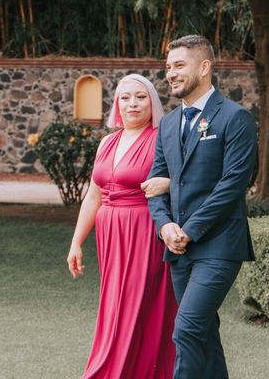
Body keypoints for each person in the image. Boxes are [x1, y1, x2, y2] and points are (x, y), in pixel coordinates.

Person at [147, 35, 257, 379]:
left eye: (180, 65)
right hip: (178, 248)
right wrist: (165, 226)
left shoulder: (235, 118)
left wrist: (189, 230)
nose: (171, 74)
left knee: (187, 330)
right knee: (205, 333)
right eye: (168, 67)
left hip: (219, 244)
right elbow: (156, 185)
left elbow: (232, 185)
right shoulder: (167, 124)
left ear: (205, 67)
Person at [67, 74, 177, 378]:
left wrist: (167, 184)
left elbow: (184, 181)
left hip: (144, 231)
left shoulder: (161, 139)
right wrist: (76, 242)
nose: (132, 103)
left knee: (140, 305)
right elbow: (94, 194)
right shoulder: (107, 141)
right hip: (110, 236)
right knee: (114, 304)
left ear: (152, 101)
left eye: (140, 97)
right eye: (126, 97)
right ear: (117, 102)